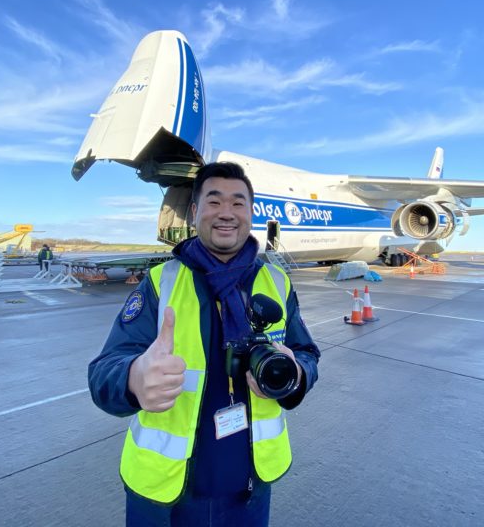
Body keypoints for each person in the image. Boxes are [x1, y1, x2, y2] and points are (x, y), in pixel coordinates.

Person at [88, 161, 320, 527]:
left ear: (250, 213)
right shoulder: (160, 283)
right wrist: (133, 378)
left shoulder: (276, 282)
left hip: (249, 491)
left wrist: (297, 373)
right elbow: (103, 371)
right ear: (195, 212)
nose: (226, 213)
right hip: (165, 495)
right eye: (214, 201)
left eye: (238, 203)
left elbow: (307, 355)